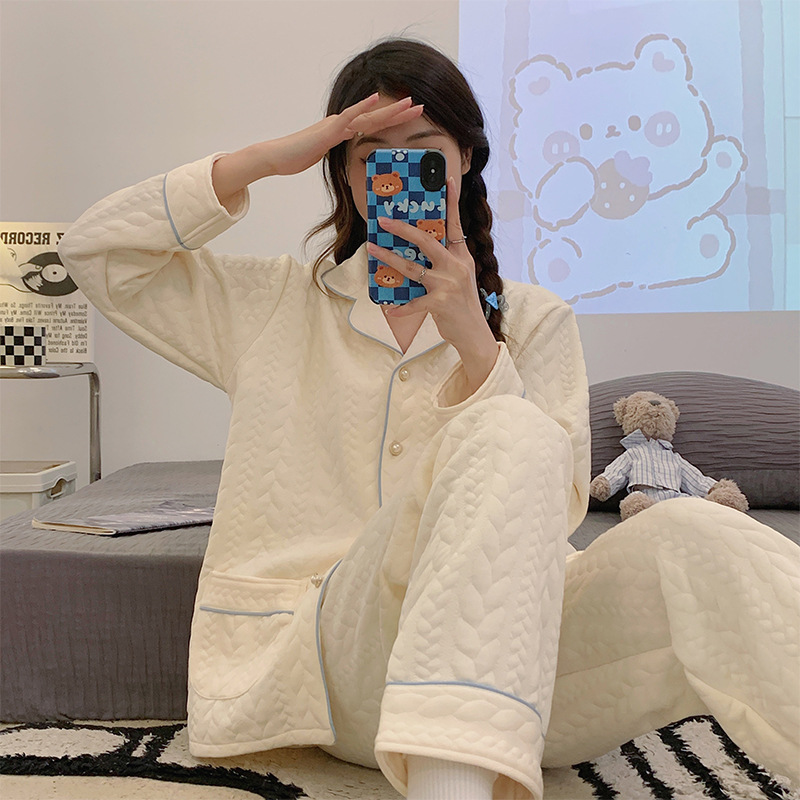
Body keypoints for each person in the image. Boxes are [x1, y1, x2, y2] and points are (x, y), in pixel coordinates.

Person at [58, 39, 798, 800]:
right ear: (344, 172)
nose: (398, 169)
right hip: (333, 672)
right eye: (371, 154)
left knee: (696, 532)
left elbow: (553, 509)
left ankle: (461, 761)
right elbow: (97, 251)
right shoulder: (271, 305)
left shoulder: (534, 319)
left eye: (424, 149)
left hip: (518, 673)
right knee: (512, 428)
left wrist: (477, 343)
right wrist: (267, 160)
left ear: (464, 161)